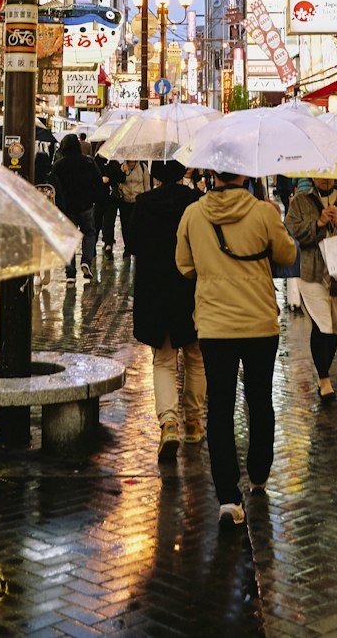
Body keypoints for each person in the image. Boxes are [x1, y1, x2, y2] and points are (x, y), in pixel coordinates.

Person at [175, 171, 297, 527]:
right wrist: (275, 220)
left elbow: (184, 265)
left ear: (213, 174)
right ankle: (259, 472)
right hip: (259, 322)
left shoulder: (194, 214)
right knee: (260, 399)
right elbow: (287, 254)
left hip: (214, 326)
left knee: (221, 407)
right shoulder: (263, 213)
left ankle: (228, 497)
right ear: (243, 174)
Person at [129, 158, 206, 460]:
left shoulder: (144, 203)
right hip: (190, 288)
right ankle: (194, 422)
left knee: (162, 361)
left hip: (154, 289)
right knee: (196, 357)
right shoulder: (196, 202)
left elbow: (133, 244)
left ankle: (169, 423)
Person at [286, 177, 337, 401]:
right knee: (323, 325)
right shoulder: (301, 202)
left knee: (334, 325)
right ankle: (324, 379)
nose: (325, 179)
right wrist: (318, 224)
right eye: (320, 174)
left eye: (329, 174)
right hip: (311, 272)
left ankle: (324, 372)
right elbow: (290, 232)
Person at [51, 133, 102, 282]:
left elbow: (53, 186)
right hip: (85, 206)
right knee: (89, 233)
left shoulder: (58, 166)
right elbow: (98, 182)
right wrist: (94, 199)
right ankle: (86, 260)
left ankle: (70, 274)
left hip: (66, 209)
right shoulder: (88, 162)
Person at [118, 160, 150, 256]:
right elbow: (118, 183)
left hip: (138, 201)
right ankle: (127, 247)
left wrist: (146, 200)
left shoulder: (143, 167)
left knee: (137, 224)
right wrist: (122, 173)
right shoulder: (122, 167)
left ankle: (136, 246)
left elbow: (147, 185)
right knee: (125, 224)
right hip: (125, 200)